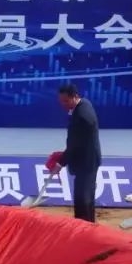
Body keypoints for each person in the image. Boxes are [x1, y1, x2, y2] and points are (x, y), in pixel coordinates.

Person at [49, 84, 101, 222]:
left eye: (66, 101)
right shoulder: (83, 104)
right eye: (61, 101)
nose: (63, 104)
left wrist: (60, 163)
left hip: (87, 161)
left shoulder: (82, 117)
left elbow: (74, 145)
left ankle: (85, 227)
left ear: (75, 96)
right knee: (84, 196)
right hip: (85, 159)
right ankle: (86, 225)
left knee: (83, 198)